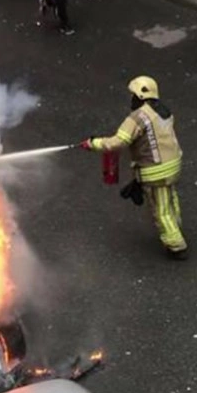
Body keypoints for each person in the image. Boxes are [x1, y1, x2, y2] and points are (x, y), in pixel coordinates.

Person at [81, 76, 189, 260]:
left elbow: (118, 142)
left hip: (157, 170)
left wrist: (94, 143)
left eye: (133, 95)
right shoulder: (162, 110)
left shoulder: (138, 117)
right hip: (173, 164)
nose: (131, 99)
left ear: (140, 95)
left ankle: (176, 246)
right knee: (170, 200)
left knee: (161, 210)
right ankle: (175, 225)